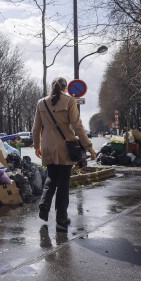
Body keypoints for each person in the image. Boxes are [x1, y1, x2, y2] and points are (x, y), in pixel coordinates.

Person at [32, 77, 97, 229]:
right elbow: (78, 126)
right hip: (65, 147)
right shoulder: (69, 101)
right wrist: (89, 147)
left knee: (51, 177)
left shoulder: (41, 102)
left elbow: (36, 128)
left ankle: (44, 204)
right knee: (63, 183)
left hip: (48, 146)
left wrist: (37, 145)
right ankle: (61, 217)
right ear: (65, 88)